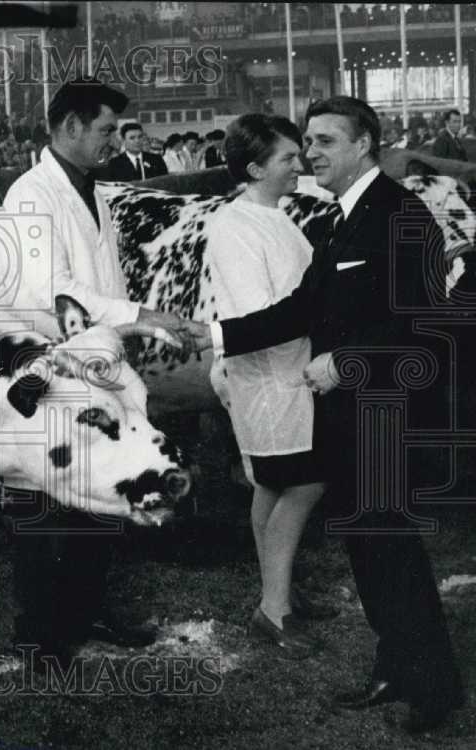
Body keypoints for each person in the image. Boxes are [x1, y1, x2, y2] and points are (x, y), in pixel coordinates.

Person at [187, 96, 465, 734]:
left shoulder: (400, 215)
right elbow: (299, 310)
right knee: (368, 551)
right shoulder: (342, 220)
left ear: (364, 144)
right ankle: (394, 663)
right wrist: (217, 336)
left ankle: (434, 689)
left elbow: (421, 320)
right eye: (306, 142)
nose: (310, 153)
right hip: (349, 417)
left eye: (324, 142)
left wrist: (348, 363)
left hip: (385, 411)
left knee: (392, 551)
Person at [0, 78, 194, 667]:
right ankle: (39, 636)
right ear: (69, 127)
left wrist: (125, 336)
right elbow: (53, 293)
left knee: (98, 500)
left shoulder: (90, 191)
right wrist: (140, 316)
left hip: (93, 365)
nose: (112, 141)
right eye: (103, 130)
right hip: (43, 374)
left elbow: (104, 284)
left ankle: (85, 612)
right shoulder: (31, 195)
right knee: (42, 507)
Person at [208, 114, 333, 660]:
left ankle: (279, 592)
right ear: (255, 168)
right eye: (287, 158)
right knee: (305, 483)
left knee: (273, 486)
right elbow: (259, 313)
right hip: (267, 374)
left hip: (290, 369)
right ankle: (273, 609)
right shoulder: (234, 225)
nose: (298, 164)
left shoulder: (275, 215)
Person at [101, 122, 166, 181]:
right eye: (132, 138)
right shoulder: (114, 164)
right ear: (123, 140)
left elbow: (166, 183)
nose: (137, 141)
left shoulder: (157, 160)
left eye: (140, 137)